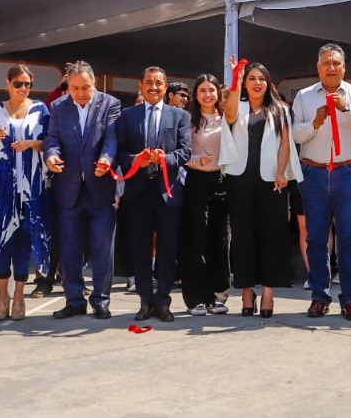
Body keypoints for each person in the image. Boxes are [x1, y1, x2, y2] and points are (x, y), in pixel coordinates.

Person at [290, 43, 351, 321]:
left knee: (349, 239)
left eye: (336, 63)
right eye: (326, 63)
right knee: (316, 238)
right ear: (318, 67)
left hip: (347, 172)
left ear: (344, 67)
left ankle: (350, 299)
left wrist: (347, 109)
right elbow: (294, 135)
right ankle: (319, 297)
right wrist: (314, 123)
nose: (331, 68)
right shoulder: (304, 97)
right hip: (313, 172)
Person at [221, 59, 301, 317]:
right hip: (239, 179)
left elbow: (286, 144)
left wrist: (281, 172)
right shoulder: (239, 106)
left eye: (261, 79)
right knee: (242, 237)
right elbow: (229, 115)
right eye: (251, 78)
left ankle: (268, 292)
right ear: (245, 83)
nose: (257, 83)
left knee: (271, 236)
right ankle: (246, 292)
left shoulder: (280, 109)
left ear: (269, 83)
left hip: (271, 181)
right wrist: (235, 79)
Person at [44, 61, 121, 320]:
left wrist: (107, 159)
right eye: (74, 88)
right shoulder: (58, 107)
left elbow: (112, 138)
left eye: (85, 87)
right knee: (69, 248)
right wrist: (51, 156)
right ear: (67, 85)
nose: (80, 93)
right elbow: (52, 138)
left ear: (94, 83)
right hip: (68, 188)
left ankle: (101, 299)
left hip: (100, 187)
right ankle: (74, 300)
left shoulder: (110, 104)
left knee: (102, 248)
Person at [116, 67, 191, 322]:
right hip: (138, 193)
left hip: (166, 192)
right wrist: (136, 159)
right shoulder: (127, 116)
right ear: (141, 85)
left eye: (158, 83)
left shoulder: (179, 116)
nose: (154, 87)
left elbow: (185, 152)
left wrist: (163, 159)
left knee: (168, 249)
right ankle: (145, 301)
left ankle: (163, 301)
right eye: (149, 82)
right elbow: (120, 153)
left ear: (165, 86)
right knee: (140, 248)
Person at [0, 65, 51, 322]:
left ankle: (20, 295)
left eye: (27, 84)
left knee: (24, 238)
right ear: (8, 83)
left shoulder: (40, 109)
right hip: (2, 187)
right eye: (18, 84)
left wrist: (32, 143)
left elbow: (51, 142)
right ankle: (2, 296)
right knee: (1, 239)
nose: (23, 89)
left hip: (31, 187)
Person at [180, 73, 231, 316]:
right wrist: (198, 159)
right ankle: (194, 298)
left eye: (212, 90)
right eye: (203, 90)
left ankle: (218, 296)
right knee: (195, 238)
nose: (208, 94)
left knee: (219, 240)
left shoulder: (227, 120)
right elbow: (178, 153)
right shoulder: (188, 120)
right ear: (196, 94)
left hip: (220, 181)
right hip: (195, 180)